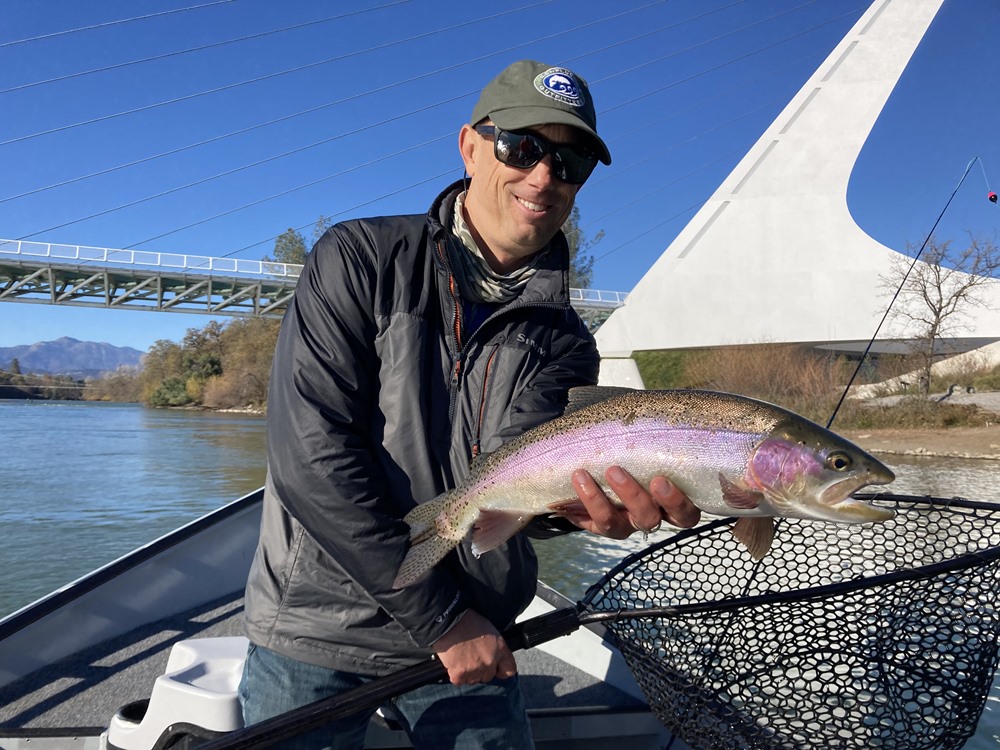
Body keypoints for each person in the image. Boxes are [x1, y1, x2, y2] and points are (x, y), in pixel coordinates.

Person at [238, 59, 701, 749]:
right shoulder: (359, 259)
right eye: (524, 147)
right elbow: (312, 458)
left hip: (479, 629)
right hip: (319, 625)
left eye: (571, 161)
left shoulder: (569, 341)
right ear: (470, 145)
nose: (545, 176)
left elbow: (514, 490)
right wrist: (442, 620)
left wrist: (577, 512)